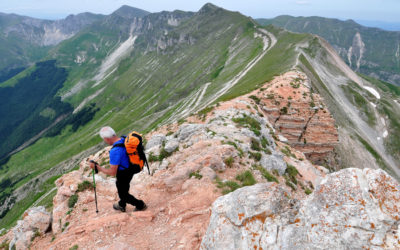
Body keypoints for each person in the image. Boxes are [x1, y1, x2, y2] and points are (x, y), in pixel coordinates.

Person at [89, 126, 147, 212]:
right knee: (122, 188)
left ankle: (140, 204)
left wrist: (98, 168)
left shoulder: (115, 151)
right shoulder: (124, 139)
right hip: (130, 167)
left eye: (104, 139)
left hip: (123, 173)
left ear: (107, 139)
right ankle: (121, 205)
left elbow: (112, 172)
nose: (104, 141)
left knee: (123, 194)